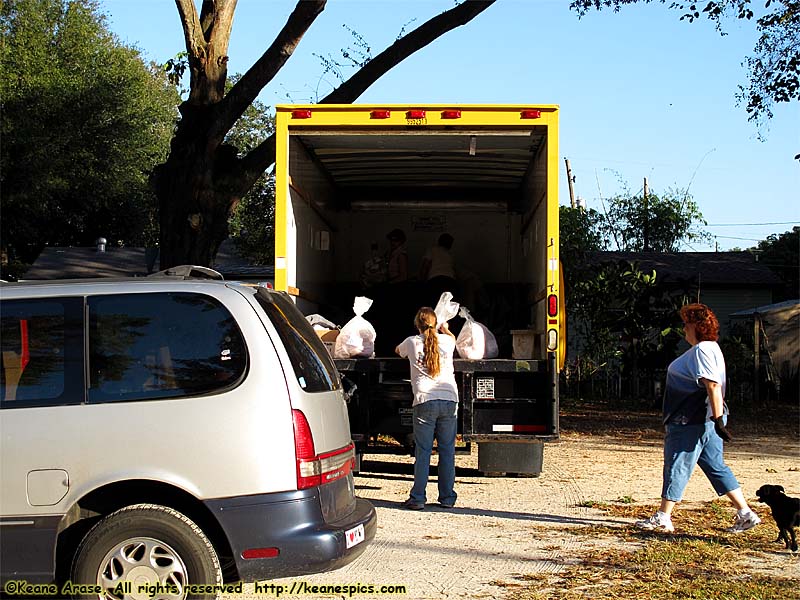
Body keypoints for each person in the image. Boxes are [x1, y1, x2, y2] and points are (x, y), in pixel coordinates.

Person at [635, 303, 761, 534]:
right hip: (707, 419)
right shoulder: (712, 348)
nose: (683, 328)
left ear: (697, 326)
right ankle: (745, 513)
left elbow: (712, 385)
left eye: (686, 323)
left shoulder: (702, 350)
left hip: (690, 419)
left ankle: (663, 517)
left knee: (676, 463)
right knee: (716, 466)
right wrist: (717, 419)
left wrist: (718, 418)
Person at [395, 307, 459, 510]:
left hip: (425, 399)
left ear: (417, 324)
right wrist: (445, 329)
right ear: (436, 323)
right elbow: (453, 339)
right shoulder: (447, 342)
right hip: (449, 399)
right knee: (447, 451)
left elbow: (398, 351)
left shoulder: (411, 342)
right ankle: (447, 498)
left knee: (423, 451)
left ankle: (418, 498)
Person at [419, 233, 457, 307]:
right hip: (450, 282)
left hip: (436, 280)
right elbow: (454, 272)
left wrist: (422, 281)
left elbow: (426, 266)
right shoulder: (450, 255)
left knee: (433, 305)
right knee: (447, 307)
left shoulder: (432, 250)